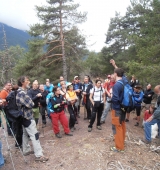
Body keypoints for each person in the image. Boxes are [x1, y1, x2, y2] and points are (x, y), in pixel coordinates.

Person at [16, 76, 48, 162]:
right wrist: (33, 101)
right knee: (35, 135)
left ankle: (26, 150)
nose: (29, 82)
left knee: (25, 134)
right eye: (27, 80)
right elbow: (31, 104)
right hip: (27, 117)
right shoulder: (22, 93)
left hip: (23, 117)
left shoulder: (20, 92)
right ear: (23, 82)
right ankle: (39, 155)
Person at [111, 68, 126, 152]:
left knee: (117, 127)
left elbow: (115, 98)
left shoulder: (117, 85)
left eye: (114, 73)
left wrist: (111, 98)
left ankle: (119, 147)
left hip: (117, 109)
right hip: (123, 108)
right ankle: (122, 141)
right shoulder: (124, 82)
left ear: (116, 74)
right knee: (122, 124)